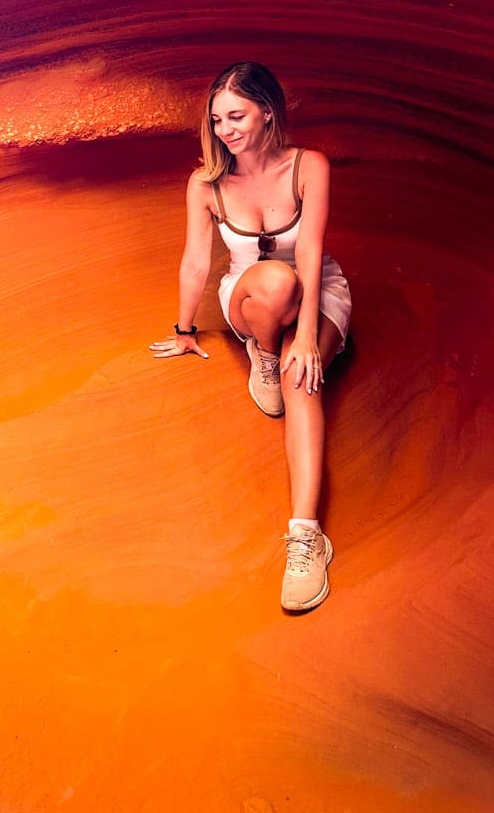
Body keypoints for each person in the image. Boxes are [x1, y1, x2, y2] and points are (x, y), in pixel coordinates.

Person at [149, 62, 351, 611]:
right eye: (217, 119)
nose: (225, 129)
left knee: (301, 381)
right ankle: (262, 348)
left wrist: (306, 338)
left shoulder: (309, 165)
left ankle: (306, 537)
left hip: (316, 292)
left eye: (236, 115)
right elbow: (197, 262)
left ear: (267, 111)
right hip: (250, 297)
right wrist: (185, 330)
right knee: (274, 281)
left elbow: (310, 252)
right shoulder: (206, 183)